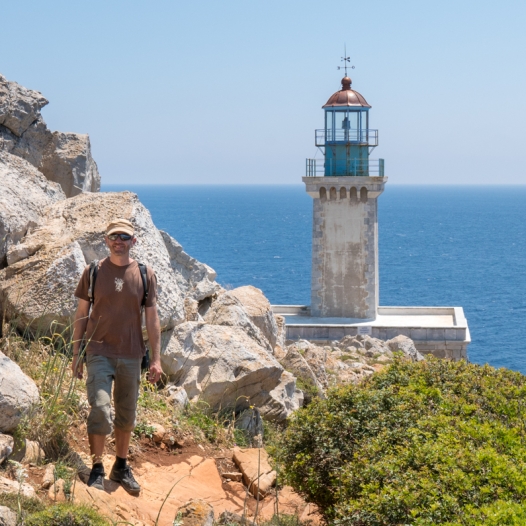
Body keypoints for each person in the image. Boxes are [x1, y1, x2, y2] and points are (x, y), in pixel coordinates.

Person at [71, 218, 162, 495]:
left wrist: (156, 359)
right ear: (106, 240)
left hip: (132, 355)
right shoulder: (94, 271)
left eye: (125, 236)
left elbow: (152, 318)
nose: (119, 241)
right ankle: (97, 467)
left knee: (126, 415)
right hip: (98, 351)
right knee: (100, 407)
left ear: (134, 241)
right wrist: (76, 354)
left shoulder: (145, 274)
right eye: (114, 236)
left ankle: (120, 466)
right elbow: (81, 315)